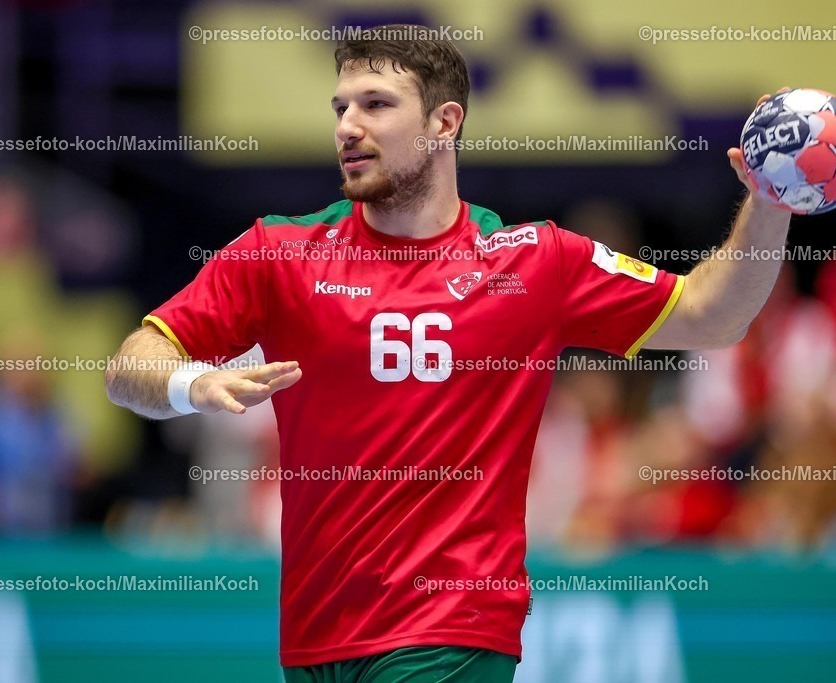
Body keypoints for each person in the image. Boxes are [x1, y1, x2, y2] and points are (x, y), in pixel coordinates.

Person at [105, 25, 792, 683]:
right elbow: (129, 365)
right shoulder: (278, 255)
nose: (348, 126)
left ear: (444, 122)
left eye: (376, 105)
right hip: (316, 635)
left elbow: (713, 314)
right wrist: (190, 383)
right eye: (341, 107)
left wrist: (770, 199)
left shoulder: (534, 263)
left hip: (452, 629)